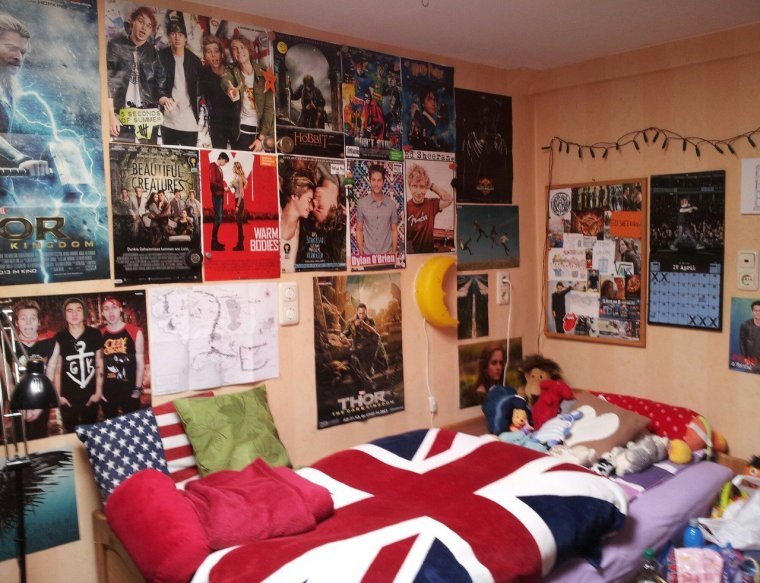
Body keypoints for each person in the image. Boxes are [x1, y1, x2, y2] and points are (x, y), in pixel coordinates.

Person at [0, 13, 50, 204]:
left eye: (22, 52)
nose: (18, 57)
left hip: (4, 188)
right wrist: (20, 158)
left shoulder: (8, 89)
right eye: (11, 48)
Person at [106, 6, 173, 144]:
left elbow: (159, 87)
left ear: (151, 30)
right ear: (133, 21)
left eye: (148, 26)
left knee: (146, 154)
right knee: (122, 153)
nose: (144, 28)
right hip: (121, 115)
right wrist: (111, 115)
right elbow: (109, 84)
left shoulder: (153, 53)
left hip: (146, 117)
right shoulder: (116, 46)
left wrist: (165, 100)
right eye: (141, 21)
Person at [0, 299, 59, 440]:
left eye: (32, 318)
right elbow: (8, 380)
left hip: (41, 402)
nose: (28, 323)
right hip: (18, 402)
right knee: (21, 440)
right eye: (23, 318)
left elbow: (48, 379)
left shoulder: (51, 345)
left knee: (40, 439)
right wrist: (20, 405)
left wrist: (39, 406)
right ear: (16, 322)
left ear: (38, 322)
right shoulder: (6, 346)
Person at [54, 297, 103, 433]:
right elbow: (57, 370)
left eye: (78, 310)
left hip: (90, 395)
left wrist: (98, 392)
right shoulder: (59, 338)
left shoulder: (94, 334)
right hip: (67, 397)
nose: (74, 314)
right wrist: (58, 396)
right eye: (70, 311)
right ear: (65, 315)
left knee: (91, 434)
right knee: (71, 434)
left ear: (84, 313)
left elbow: (99, 364)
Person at [221, 33, 274, 152]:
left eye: (242, 47)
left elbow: (269, 108)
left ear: (249, 49)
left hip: (263, 133)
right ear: (232, 54)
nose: (239, 51)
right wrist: (230, 90)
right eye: (234, 48)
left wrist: (261, 139)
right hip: (241, 131)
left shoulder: (266, 73)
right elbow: (225, 80)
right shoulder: (231, 70)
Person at [158, 18, 203, 147]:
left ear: (185, 38)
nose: (177, 38)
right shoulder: (161, 57)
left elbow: (201, 89)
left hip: (189, 121)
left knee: (190, 157)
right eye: (173, 34)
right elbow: (156, 85)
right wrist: (163, 100)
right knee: (169, 156)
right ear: (168, 36)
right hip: (168, 120)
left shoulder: (194, 61)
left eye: (181, 34)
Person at [99, 296, 145, 419]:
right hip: (108, 392)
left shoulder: (135, 332)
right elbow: (98, 365)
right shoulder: (99, 335)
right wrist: (99, 391)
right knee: (111, 427)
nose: (110, 312)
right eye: (106, 309)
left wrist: (137, 390)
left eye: (114, 307)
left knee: (133, 426)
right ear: (102, 313)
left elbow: (140, 364)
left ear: (120, 309)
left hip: (130, 391)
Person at [296, 162, 347, 267]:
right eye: (320, 207)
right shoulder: (348, 178)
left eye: (314, 207)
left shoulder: (308, 176)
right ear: (335, 206)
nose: (314, 202)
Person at [405, 163, 453, 253]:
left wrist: (431, 185)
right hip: (412, 256)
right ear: (409, 187)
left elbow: (449, 199)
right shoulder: (405, 208)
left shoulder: (431, 204)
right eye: (415, 186)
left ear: (426, 188)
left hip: (429, 255)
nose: (418, 192)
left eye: (422, 187)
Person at [199, 35, 237, 149]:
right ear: (205, 56)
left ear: (221, 54)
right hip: (216, 123)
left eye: (216, 51)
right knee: (220, 154)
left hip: (236, 121)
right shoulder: (203, 73)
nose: (213, 55)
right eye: (209, 52)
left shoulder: (232, 70)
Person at [340, 303, 386, 389]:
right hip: (357, 348)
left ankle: (370, 367)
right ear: (357, 312)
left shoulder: (370, 320)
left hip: (369, 348)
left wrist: (363, 324)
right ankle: (369, 381)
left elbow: (375, 333)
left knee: (377, 337)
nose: (361, 315)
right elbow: (344, 333)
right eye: (360, 313)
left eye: (363, 313)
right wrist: (342, 337)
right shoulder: (351, 322)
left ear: (366, 312)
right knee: (356, 362)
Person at [355, 164, 398, 257]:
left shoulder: (391, 204)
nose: (376, 184)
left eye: (379, 180)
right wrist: (361, 253)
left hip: (387, 255)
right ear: (369, 181)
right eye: (373, 180)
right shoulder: (362, 204)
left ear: (383, 182)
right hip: (368, 255)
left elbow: (394, 230)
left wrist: (394, 252)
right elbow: (359, 229)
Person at [279, 169, 315, 271]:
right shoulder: (272, 215)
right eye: (309, 200)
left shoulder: (307, 232)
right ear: (294, 196)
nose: (311, 207)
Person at [407, 86, 446, 150]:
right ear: (423, 103)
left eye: (435, 99)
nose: (434, 103)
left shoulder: (434, 121)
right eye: (429, 99)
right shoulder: (421, 119)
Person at [208, 151, 229, 250]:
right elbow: (212, 183)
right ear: (221, 158)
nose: (225, 164)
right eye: (225, 161)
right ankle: (214, 243)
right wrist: (223, 188)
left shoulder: (219, 168)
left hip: (220, 196)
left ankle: (215, 242)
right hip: (216, 196)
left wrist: (224, 189)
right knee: (218, 218)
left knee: (219, 219)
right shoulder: (213, 166)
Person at [231, 160, 248, 250]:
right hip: (237, 200)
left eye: (233, 167)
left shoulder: (240, 178)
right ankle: (241, 240)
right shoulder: (237, 177)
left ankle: (240, 245)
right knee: (238, 223)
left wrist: (237, 206)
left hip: (239, 201)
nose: (232, 168)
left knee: (239, 223)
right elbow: (236, 187)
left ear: (236, 168)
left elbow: (241, 193)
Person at [739, 300, 760, 365]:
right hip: (751, 361)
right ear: (752, 311)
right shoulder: (745, 325)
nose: (758, 313)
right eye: (755, 310)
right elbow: (742, 342)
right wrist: (745, 357)